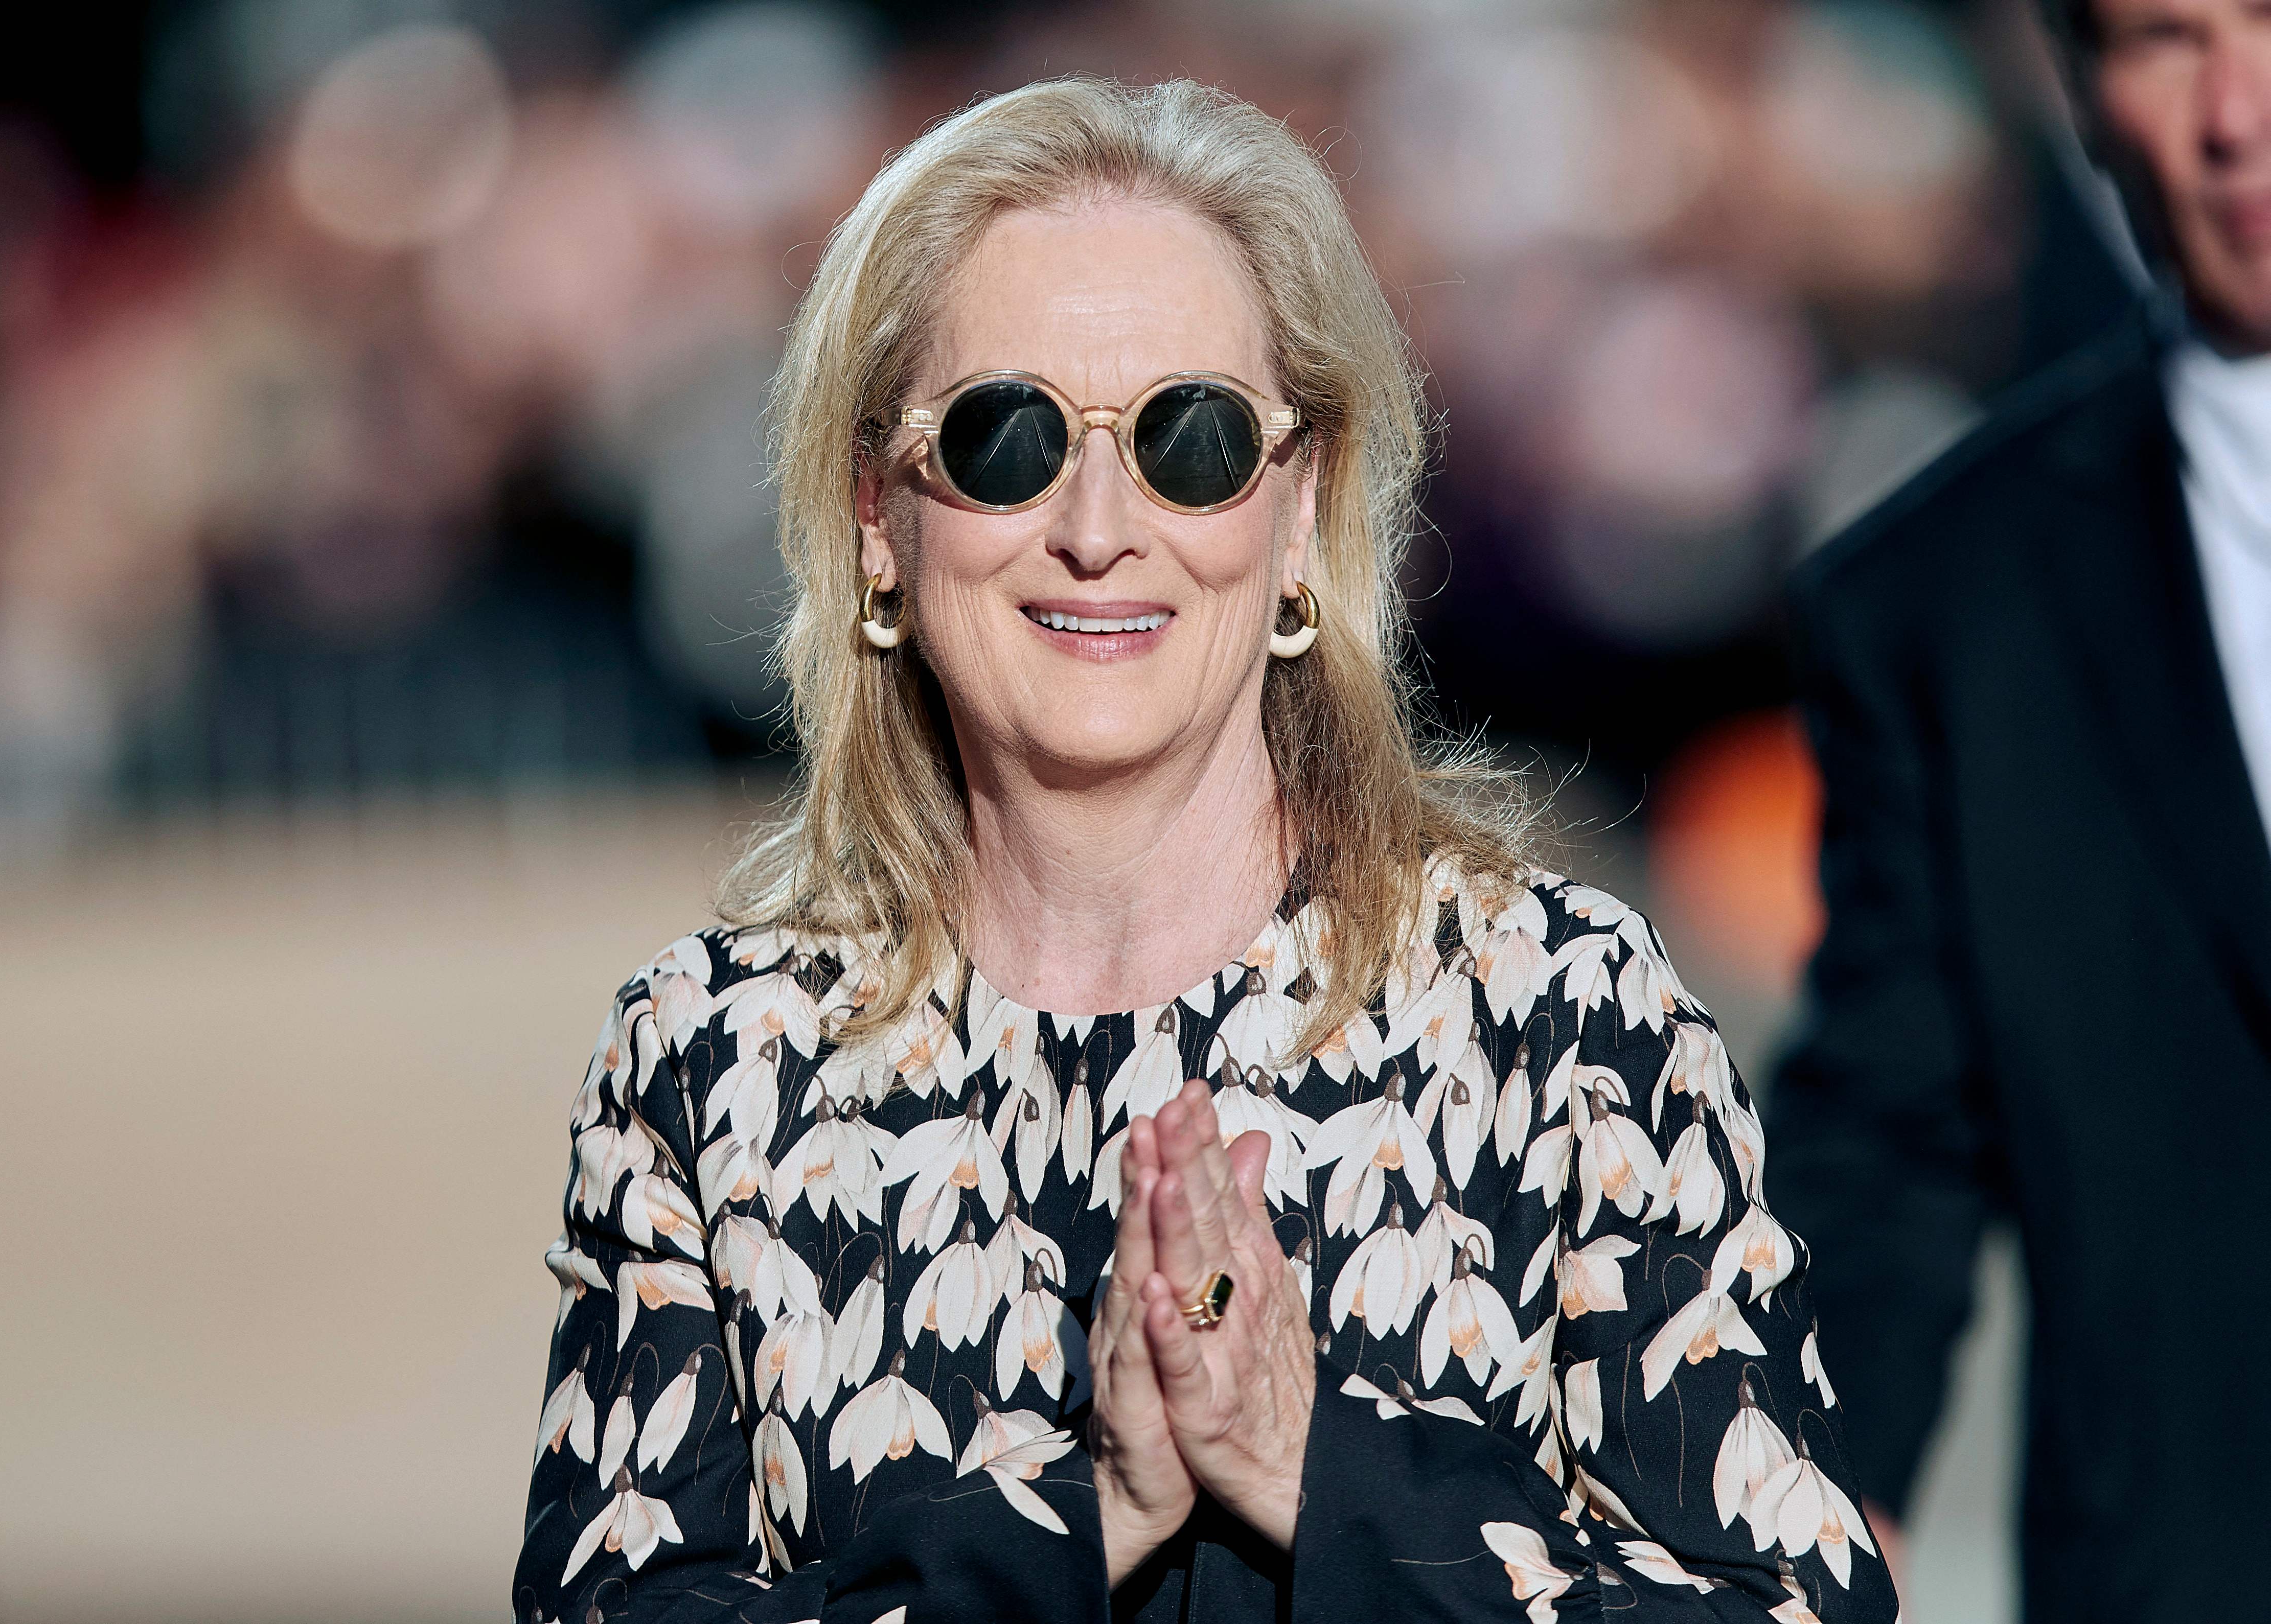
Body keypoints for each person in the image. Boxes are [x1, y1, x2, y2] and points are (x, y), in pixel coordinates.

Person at [515, 77, 1892, 1624]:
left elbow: (1797, 1608)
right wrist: (1082, 1522)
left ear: (1300, 510)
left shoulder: (1560, 1019)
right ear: (878, 516)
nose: (1099, 525)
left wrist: (1318, 1475)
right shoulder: (712, 1063)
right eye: (1006, 436)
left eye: (1194, 438)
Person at [1768, 1, 2271, 1618]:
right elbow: (1887, 1140)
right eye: (2163, 37)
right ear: (2080, 89)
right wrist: (1815, 1517)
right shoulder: (1944, 605)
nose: (2235, 112)